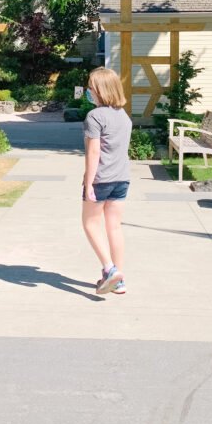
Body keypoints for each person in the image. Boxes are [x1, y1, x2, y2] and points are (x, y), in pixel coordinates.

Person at [81, 67, 132, 295]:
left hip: (101, 180)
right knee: (114, 228)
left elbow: (94, 153)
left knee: (90, 224)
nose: (88, 91)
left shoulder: (95, 116)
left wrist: (89, 183)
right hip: (122, 179)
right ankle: (119, 280)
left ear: (99, 90)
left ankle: (110, 269)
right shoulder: (124, 115)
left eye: (90, 88)